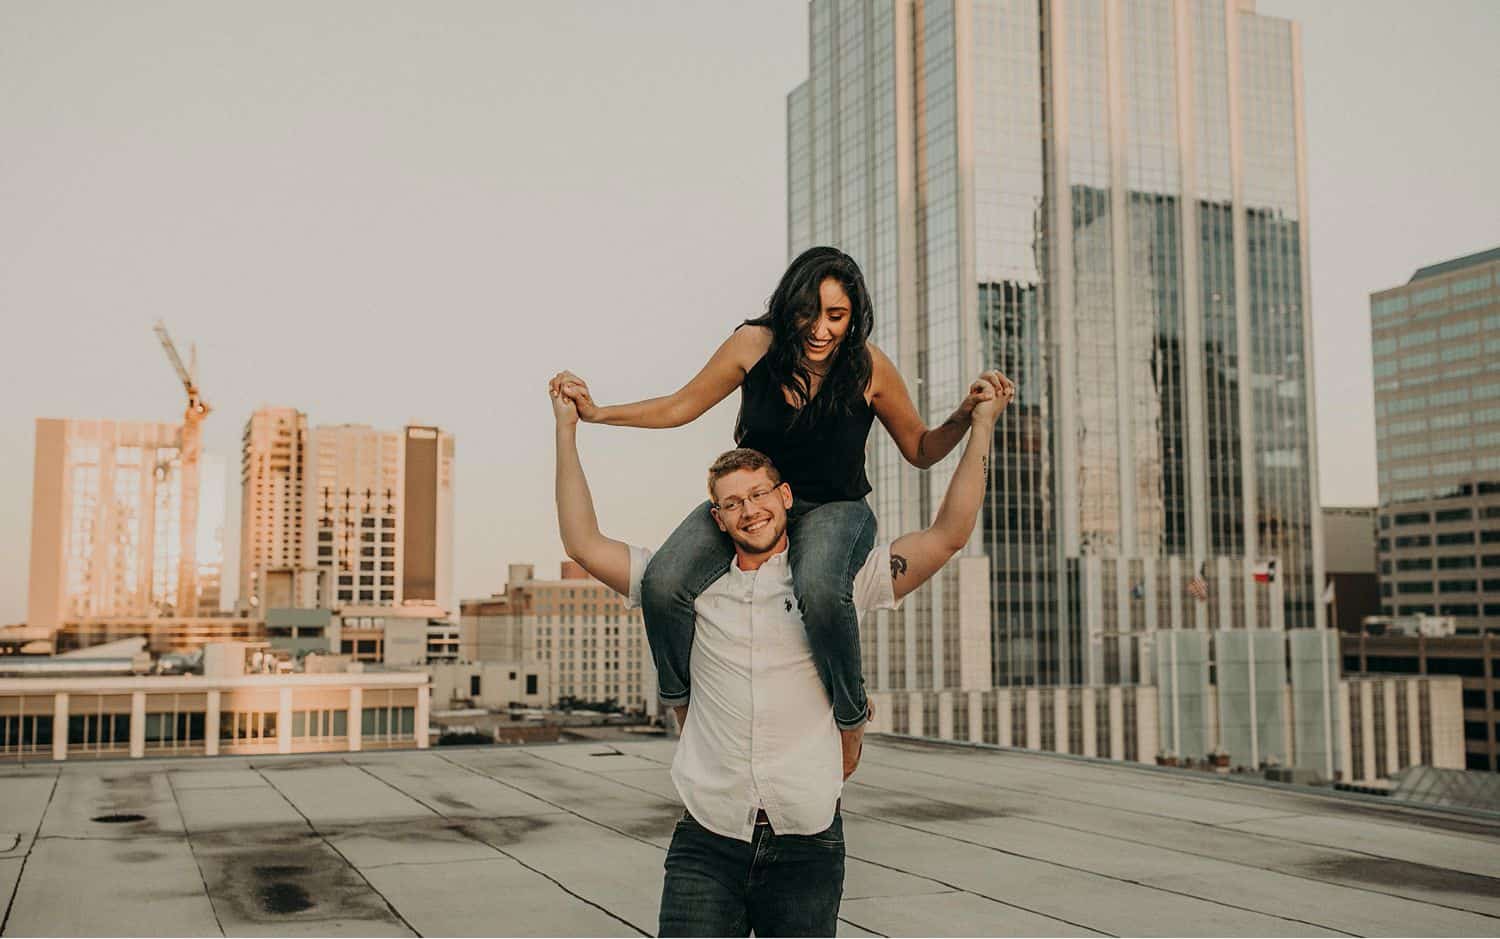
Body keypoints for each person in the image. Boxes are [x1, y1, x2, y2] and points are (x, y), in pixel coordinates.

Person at [550, 370, 1010, 937]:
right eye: (733, 503)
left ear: (785, 496)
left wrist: (981, 425)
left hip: (807, 846)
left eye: (760, 493)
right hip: (708, 843)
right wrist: (567, 431)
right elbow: (582, 542)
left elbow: (948, 535)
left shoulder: (840, 582)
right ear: (716, 518)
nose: (750, 511)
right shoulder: (685, 587)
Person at [549, 246, 1010, 774]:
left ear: (854, 315)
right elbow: (681, 405)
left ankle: (852, 716)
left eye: (836, 317)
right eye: (808, 314)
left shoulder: (870, 366)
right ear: (788, 307)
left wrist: (968, 414)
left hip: (836, 508)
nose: (820, 330)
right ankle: (682, 707)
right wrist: (599, 414)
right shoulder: (754, 344)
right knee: (663, 584)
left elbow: (922, 450)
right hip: (756, 502)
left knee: (818, 586)